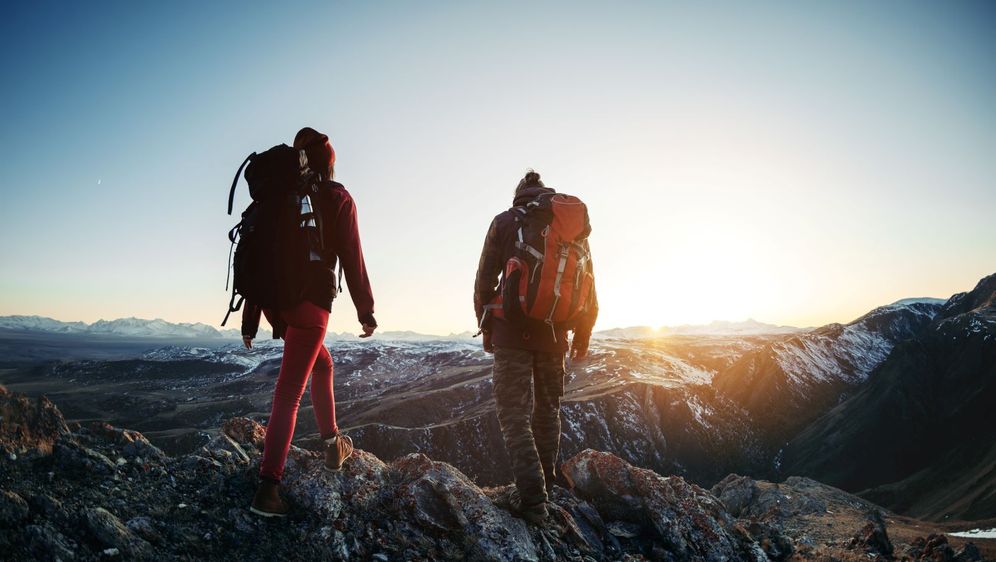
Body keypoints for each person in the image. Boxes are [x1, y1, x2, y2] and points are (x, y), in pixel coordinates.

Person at [243, 127, 378, 518]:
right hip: (311, 305)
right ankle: (268, 489)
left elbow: (262, 258)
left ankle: (333, 445)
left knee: (323, 363)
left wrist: (251, 320)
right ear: (330, 162)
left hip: (278, 305)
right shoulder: (337, 197)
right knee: (288, 395)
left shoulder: (282, 198)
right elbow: (352, 257)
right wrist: (365, 311)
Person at [474, 170, 598, 524]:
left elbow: (485, 278)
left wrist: (486, 327)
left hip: (511, 331)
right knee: (548, 411)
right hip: (556, 334)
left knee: (514, 414)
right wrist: (583, 334)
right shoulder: (571, 228)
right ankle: (544, 485)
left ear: (519, 194)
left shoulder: (504, 222)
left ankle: (532, 500)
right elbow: (589, 282)